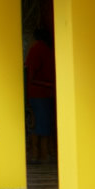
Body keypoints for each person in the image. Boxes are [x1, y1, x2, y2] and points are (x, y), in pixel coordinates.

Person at [24, 28, 56, 163]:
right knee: (44, 125)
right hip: (45, 92)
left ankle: (37, 155)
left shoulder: (35, 49)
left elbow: (29, 71)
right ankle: (44, 154)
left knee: (36, 125)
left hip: (36, 92)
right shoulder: (46, 49)